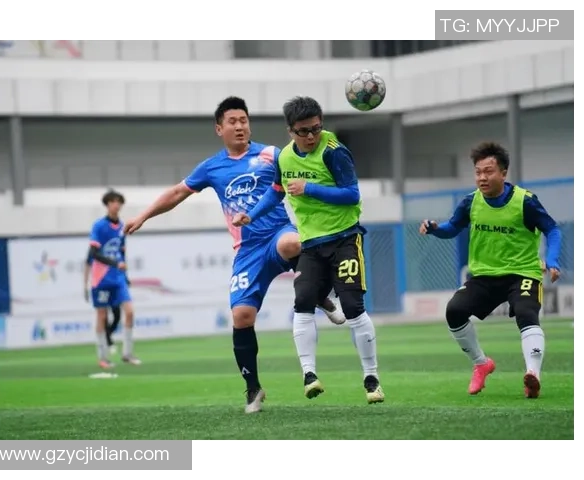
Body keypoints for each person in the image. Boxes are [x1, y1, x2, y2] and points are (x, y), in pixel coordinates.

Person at [124, 96, 344, 414]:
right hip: (247, 251)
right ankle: (253, 389)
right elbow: (177, 192)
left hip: (277, 234)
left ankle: (321, 295)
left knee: (292, 243)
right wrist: (143, 216)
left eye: (244, 120)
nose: (240, 126)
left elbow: (305, 167)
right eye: (232, 121)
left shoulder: (272, 154)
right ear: (219, 129)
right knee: (241, 316)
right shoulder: (212, 167)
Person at [234, 96, 384, 405]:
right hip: (311, 245)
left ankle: (371, 378)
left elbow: (351, 195)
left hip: (344, 239)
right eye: (304, 131)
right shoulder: (286, 158)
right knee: (302, 302)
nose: (311, 136)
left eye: (316, 128)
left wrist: (309, 188)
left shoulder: (334, 152)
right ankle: (309, 375)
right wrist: (252, 215)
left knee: (353, 306)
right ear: (290, 131)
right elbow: (276, 192)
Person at [418, 141, 561, 399]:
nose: (482, 177)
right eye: (478, 172)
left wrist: (552, 260)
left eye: (488, 171)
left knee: (526, 312)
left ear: (503, 173)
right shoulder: (470, 202)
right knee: (454, 311)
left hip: (522, 273)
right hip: (484, 276)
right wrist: (435, 229)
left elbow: (552, 229)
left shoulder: (525, 201)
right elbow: (452, 228)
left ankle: (533, 375)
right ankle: (481, 363)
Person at [89, 190, 141, 368]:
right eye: (113, 201)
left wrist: (125, 276)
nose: (116, 205)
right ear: (107, 204)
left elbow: (122, 252)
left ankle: (127, 353)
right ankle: (103, 357)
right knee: (102, 316)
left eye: (119, 202)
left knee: (130, 312)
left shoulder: (122, 227)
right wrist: (114, 263)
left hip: (118, 278)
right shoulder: (99, 226)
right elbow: (94, 253)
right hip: (101, 278)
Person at [84, 252, 124, 355]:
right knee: (103, 315)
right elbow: (88, 264)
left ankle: (107, 336)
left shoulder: (112, 248)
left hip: (113, 283)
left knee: (117, 314)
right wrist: (85, 286)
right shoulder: (95, 250)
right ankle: (107, 343)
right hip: (100, 284)